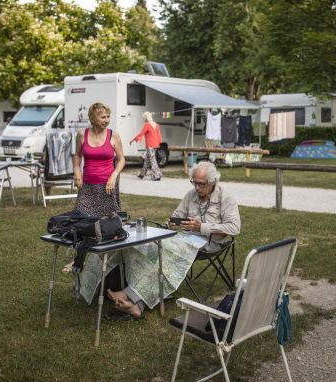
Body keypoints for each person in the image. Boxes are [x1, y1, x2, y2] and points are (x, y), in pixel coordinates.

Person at [105, 161, 241, 319]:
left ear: (212, 182)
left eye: (201, 184)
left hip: (211, 243)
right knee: (152, 249)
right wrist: (171, 223)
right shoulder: (191, 195)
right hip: (186, 237)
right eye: (194, 182)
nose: (197, 188)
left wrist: (201, 227)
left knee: (166, 254)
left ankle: (129, 295)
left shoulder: (226, 198)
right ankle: (135, 305)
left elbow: (234, 228)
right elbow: (177, 215)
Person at [63, 103, 125, 273]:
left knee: (109, 225)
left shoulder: (114, 135)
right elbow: (77, 155)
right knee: (82, 223)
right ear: (93, 118)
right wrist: (76, 170)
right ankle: (78, 260)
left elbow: (121, 160)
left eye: (107, 116)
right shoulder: (82, 134)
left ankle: (108, 262)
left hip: (107, 188)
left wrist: (113, 176)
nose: (107, 120)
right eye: (102, 117)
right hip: (88, 188)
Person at [129, 111, 162, 181]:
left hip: (150, 145)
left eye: (144, 118)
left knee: (153, 161)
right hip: (155, 145)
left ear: (146, 118)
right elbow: (159, 135)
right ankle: (142, 174)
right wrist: (159, 143)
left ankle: (157, 175)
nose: (144, 120)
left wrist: (132, 140)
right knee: (147, 160)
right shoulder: (157, 125)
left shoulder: (147, 125)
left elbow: (141, 134)